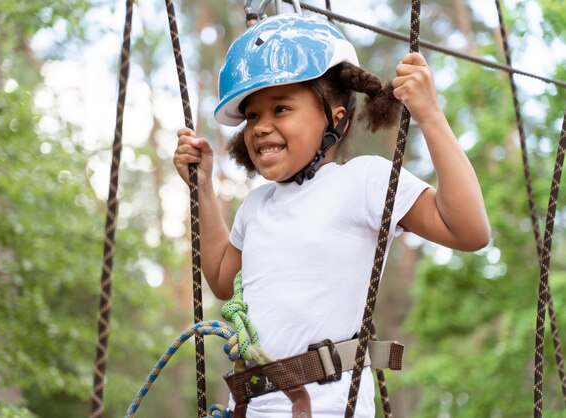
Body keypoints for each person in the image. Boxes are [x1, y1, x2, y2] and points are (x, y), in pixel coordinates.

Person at [173, 13, 490, 418]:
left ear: (334, 118)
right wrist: (200, 190)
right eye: (252, 116)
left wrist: (429, 114)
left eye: (281, 108)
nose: (261, 127)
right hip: (248, 409)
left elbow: (469, 230)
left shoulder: (364, 181)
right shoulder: (257, 204)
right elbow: (220, 278)